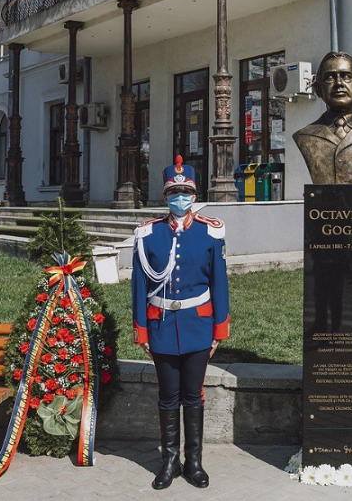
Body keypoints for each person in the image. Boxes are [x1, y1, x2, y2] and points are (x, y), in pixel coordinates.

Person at [132, 156, 230, 491]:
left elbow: (219, 283)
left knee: (193, 394)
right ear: (165, 196)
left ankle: (195, 461)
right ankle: (170, 461)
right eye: (174, 191)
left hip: (198, 325)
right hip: (160, 325)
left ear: (194, 194)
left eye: (185, 191)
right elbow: (138, 286)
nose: (179, 197)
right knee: (167, 395)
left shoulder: (209, 232)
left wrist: (219, 330)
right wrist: (141, 330)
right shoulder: (148, 234)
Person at [293, 51, 352, 184]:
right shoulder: (304, 136)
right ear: (319, 90)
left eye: (346, 76)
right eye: (330, 78)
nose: (338, 83)